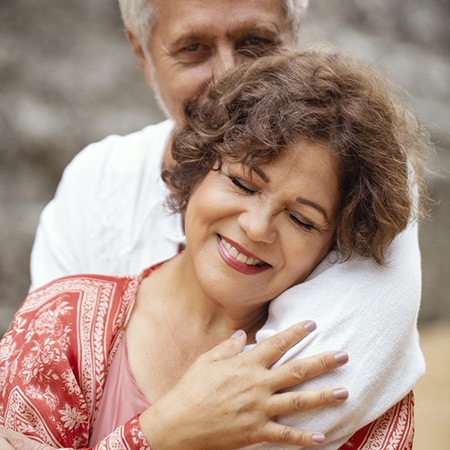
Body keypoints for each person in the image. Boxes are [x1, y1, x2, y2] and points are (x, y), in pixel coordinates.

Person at [27, 0, 423, 447]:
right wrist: (160, 434)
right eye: (194, 47)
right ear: (191, 166)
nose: (256, 227)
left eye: (301, 219)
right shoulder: (62, 319)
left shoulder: (360, 390)